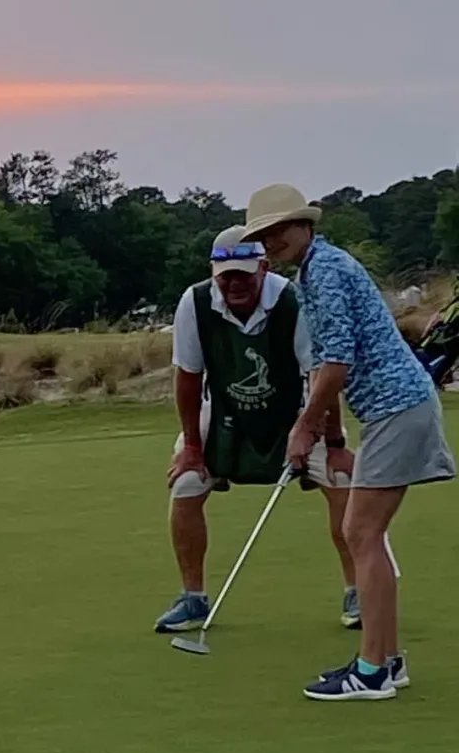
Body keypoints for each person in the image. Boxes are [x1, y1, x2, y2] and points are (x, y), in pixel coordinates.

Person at [247, 183, 455, 701]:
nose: (272, 241)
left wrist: (304, 426)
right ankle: (385, 660)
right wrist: (319, 426)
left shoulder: (328, 270)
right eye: (264, 235)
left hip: (397, 407)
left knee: (360, 532)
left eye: (279, 230)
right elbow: (325, 363)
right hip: (392, 408)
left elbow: (337, 363)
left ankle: (373, 669)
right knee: (364, 532)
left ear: (304, 226)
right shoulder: (313, 273)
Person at [154, 231, 356, 634]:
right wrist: (192, 446)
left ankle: (359, 591)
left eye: (244, 275)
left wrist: (334, 443)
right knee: (186, 484)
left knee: (345, 480)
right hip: (225, 412)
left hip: (297, 411)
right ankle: (193, 599)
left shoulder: (293, 300)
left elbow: (320, 377)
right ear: (214, 273)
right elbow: (188, 380)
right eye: (225, 276)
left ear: (264, 268)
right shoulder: (195, 303)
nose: (234, 284)